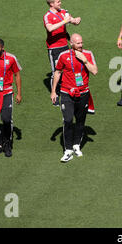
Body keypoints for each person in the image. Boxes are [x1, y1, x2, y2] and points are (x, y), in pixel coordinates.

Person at [51, 33, 97, 163]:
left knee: (80, 120)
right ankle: (68, 150)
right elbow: (58, 72)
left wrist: (84, 60)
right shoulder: (63, 55)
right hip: (67, 93)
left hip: (83, 93)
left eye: (81, 42)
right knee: (68, 120)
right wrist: (54, 91)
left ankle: (77, 145)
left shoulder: (87, 54)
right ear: (71, 43)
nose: (81, 45)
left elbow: (94, 71)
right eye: (78, 43)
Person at [43, 0, 81, 106]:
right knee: (56, 72)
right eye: (58, 1)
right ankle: (54, 94)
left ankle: (68, 91)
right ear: (51, 3)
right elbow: (50, 29)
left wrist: (76, 20)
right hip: (54, 48)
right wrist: (64, 21)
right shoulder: (47, 16)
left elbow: (73, 20)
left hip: (65, 46)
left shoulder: (64, 12)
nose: (60, 3)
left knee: (67, 69)